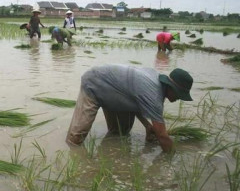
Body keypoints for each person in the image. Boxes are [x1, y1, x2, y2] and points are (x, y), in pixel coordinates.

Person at [66, 64, 194, 153]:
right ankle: (74, 158)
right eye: (178, 94)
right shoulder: (153, 94)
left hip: (115, 94)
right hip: (93, 83)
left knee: (120, 132)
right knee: (75, 139)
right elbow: (162, 136)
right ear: (170, 86)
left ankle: (109, 154)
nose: (179, 98)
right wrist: (172, 159)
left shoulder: (155, 80)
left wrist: (147, 125)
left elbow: (136, 101)